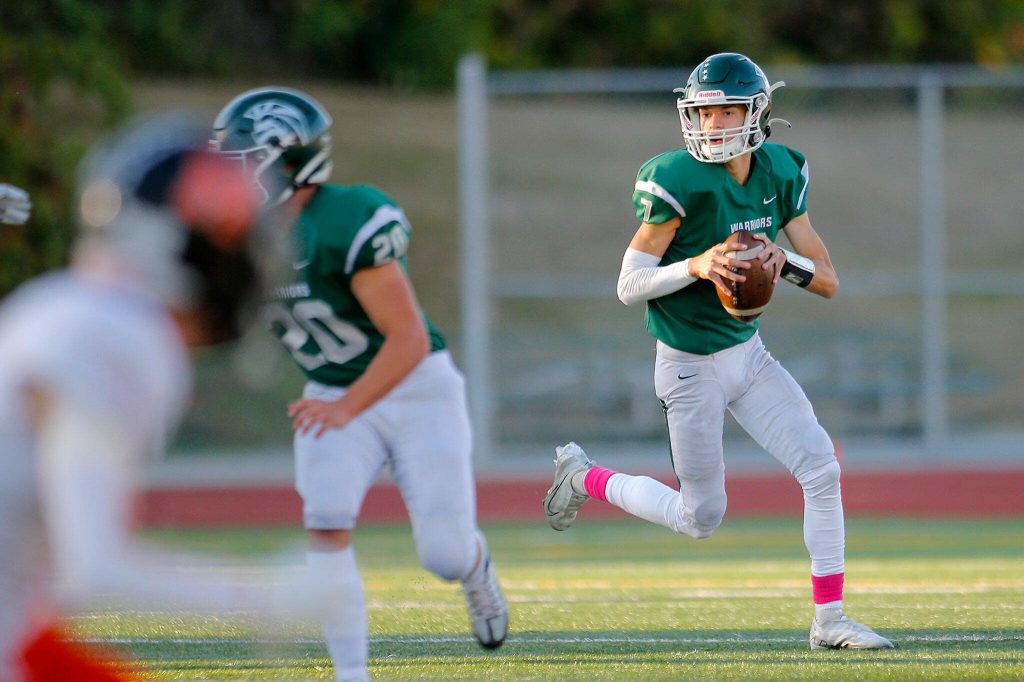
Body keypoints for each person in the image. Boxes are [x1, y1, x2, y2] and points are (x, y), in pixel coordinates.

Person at [543, 52, 894, 650]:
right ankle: (584, 476)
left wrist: (787, 265)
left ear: (756, 113)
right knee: (700, 518)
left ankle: (829, 621)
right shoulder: (674, 178)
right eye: (703, 112)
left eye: (726, 110)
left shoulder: (781, 172)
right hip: (686, 366)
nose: (712, 125)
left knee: (821, 468)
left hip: (748, 357)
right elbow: (628, 287)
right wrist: (697, 265)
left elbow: (829, 279)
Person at [211, 86, 509, 682]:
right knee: (324, 521)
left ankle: (477, 570)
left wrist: (348, 407)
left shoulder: (343, 221)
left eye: (241, 159)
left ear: (286, 161)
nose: (227, 175)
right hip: (332, 392)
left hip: (415, 388)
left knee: (444, 554)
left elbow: (408, 339)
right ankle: (352, 674)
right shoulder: (236, 235)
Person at [0, 112, 276, 680]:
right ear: (178, 242)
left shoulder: (55, 304)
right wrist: (268, 601)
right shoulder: (121, 333)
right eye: (229, 235)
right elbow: (94, 569)